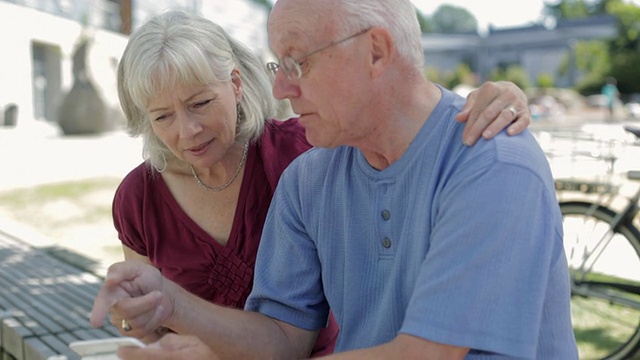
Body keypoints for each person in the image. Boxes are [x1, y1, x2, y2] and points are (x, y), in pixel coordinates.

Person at [88, 2, 573, 358]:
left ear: (376, 51)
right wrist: (171, 304)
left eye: (298, 61)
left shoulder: (493, 161)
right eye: (280, 65)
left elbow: (428, 355)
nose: (279, 87)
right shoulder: (310, 177)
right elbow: (281, 338)